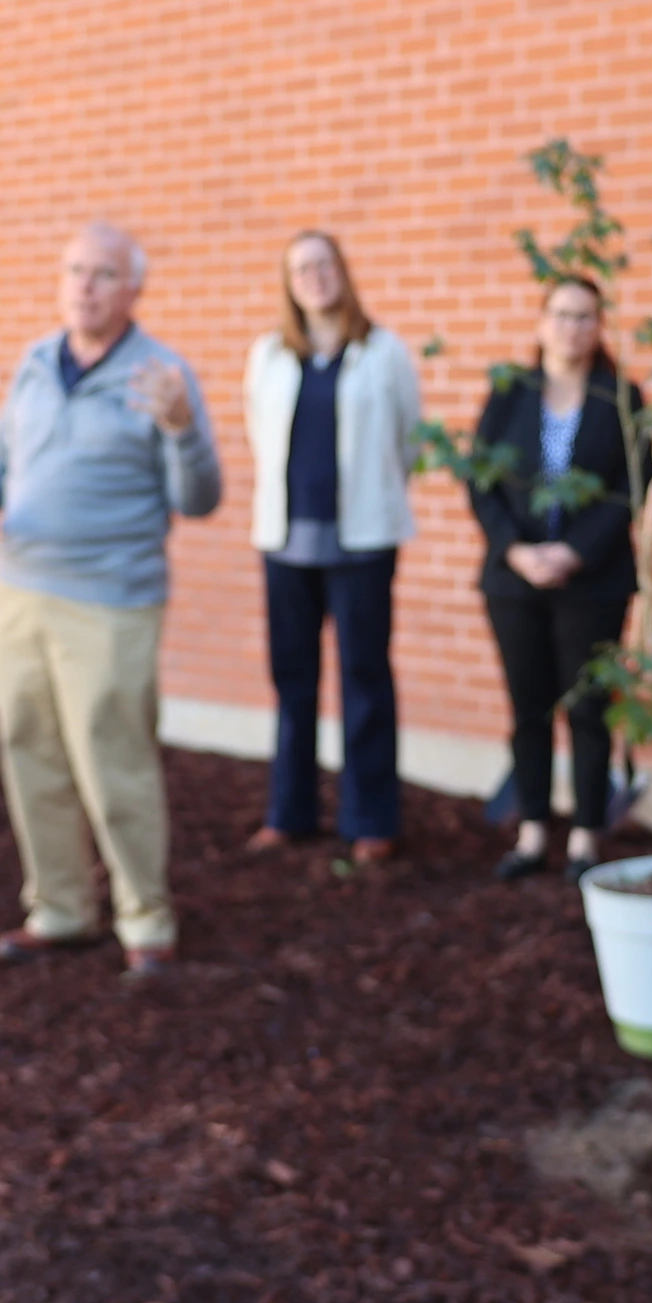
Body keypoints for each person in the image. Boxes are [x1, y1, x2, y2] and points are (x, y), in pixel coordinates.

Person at [0, 220, 223, 976]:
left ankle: (146, 921)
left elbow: (199, 499)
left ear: (134, 288)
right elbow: (4, 463)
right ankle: (61, 910)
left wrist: (182, 429)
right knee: (29, 752)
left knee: (113, 759)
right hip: (20, 591)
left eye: (102, 273)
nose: (85, 285)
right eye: (74, 270)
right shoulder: (35, 362)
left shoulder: (163, 374)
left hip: (111, 601)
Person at [244, 229, 419, 865]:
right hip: (287, 543)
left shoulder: (384, 351)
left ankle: (370, 817)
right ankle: (288, 811)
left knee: (365, 680)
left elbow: (410, 439)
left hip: (363, 543)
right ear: (288, 283)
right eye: (301, 269)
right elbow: (259, 434)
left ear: (342, 272)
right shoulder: (269, 354)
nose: (314, 277)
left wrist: (372, 491)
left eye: (323, 265)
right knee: (293, 682)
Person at [470, 277, 649, 880]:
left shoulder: (622, 398)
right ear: (541, 321)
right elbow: (482, 479)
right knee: (528, 708)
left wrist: (573, 551)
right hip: (514, 579)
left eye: (585, 316)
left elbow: (631, 486)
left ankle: (586, 836)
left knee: (589, 706)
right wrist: (516, 550)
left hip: (592, 580)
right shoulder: (510, 393)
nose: (572, 327)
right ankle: (532, 828)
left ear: (601, 326)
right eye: (562, 314)